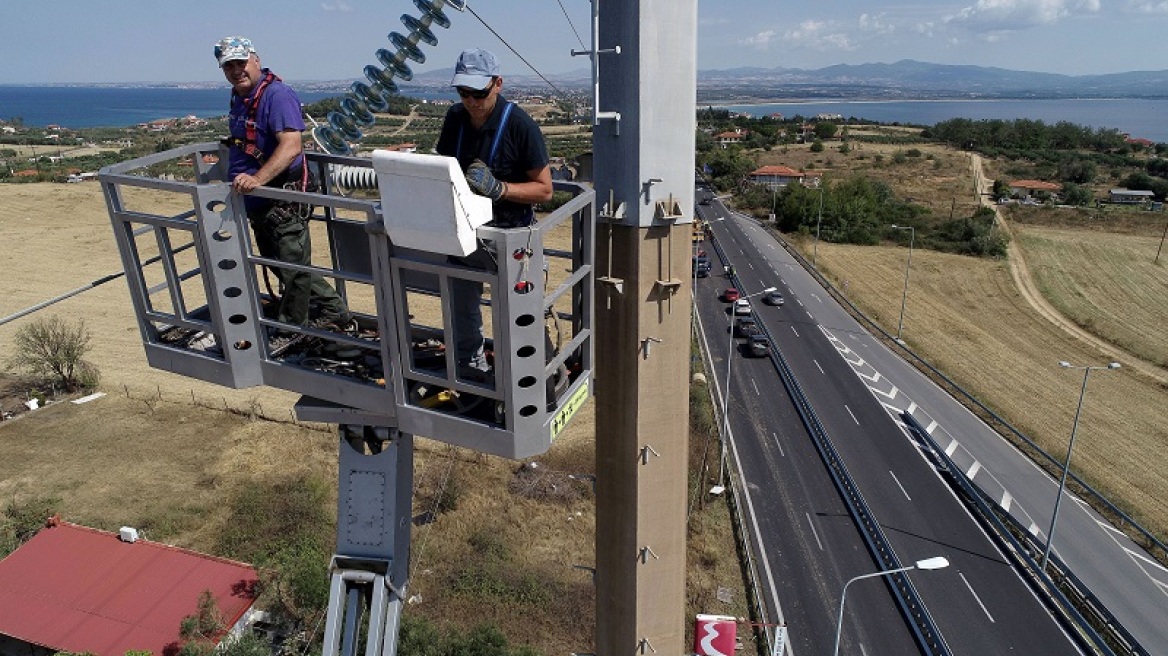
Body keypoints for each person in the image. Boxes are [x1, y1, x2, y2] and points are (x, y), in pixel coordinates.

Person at [214, 36, 352, 345]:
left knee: (291, 268)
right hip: (260, 201)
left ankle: (290, 331)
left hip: (281, 199)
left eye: (241, 63)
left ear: (256, 60)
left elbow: (291, 146)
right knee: (284, 268)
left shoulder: (277, 96)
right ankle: (333, 310)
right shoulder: (240, 96)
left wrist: (257, 179)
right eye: (230, 66)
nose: (237, 71)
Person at [435, 48, 552, 380]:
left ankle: (527, 377)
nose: (471, 100)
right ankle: (471, 371)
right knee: (461, 309)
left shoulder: (519, 125)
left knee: (518, 316)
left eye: (479, 92)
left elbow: (544, 189)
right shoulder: (455, 119)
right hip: (467, 233)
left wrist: (501, 189)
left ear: (497, 84)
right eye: (463, 92)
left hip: (512, 239)